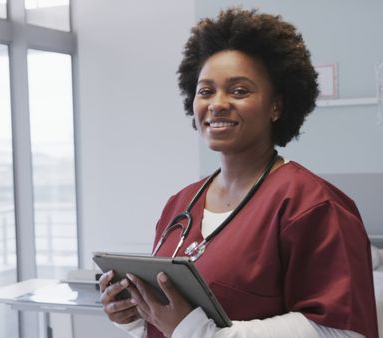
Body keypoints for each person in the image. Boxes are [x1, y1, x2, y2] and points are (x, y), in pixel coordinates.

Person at [98, 8, 378, 338]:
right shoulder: (180, 204)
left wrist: (202, 333)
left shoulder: (313, 204)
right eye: (206, 91)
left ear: (276, 106)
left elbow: (342, 331)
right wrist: (134, 315)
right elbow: (171, 323)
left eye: (239, 90)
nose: (217, 103)